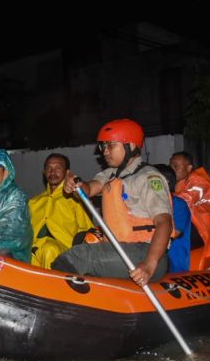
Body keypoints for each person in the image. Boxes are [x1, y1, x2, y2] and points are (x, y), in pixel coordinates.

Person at [52, 119, 174, 285]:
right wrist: (76, 185)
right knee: (83, 245)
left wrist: (149, 265)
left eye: (110, 146)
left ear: (130, 146)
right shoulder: (110, 175)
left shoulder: (148, 177)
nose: (105, 152)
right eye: (103, 146)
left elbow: (164, 222)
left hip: (146, 253)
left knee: (78, 256)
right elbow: (88, 190)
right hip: (119, 250)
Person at [29, 153, 93, 269]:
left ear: (67, 172)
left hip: (63, 252)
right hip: (35, 249)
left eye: (58, 168)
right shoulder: (34, 202)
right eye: (49, 168)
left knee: (49, 249)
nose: (52, 172)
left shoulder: (75, 200)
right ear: (44, 172)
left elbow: (88, 231)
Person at [169, 151, 210, 267]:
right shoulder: (178, 184)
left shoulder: (198, 181)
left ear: (189, 168)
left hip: (206, 229)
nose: (172, 169)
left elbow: (182, 201)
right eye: (170, 166)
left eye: (176, 166)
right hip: (193, 227)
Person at [154, 164, 191, 273]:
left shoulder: (178, 204)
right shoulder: (150, 203)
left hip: (173, 264)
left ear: (165, 181)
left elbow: (175, 233)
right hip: (154, 259)